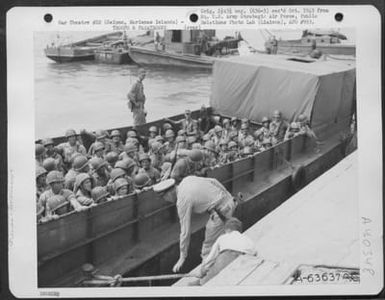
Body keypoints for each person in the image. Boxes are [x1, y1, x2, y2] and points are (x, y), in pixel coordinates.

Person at [153, 176, 238, 273]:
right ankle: (227, 260)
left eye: (164, 198)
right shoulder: (187, 180)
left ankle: (204, 277)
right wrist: (228, 195)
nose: (166, 200)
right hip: (230, 201)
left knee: (208, 248)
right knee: (224, 235)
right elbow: (214, 180)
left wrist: (182, 256)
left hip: (220, 212)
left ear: (169, 194)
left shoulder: (182, 201)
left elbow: (185, 231)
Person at [191, 218, 258, 285]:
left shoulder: (223, 237)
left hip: (226, 257)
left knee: (206, 279)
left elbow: (211, 257)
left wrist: (203, 269)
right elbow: (254, 252)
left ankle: (200, 283)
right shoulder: (246, 238)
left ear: (227, 229)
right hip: (243, 259)